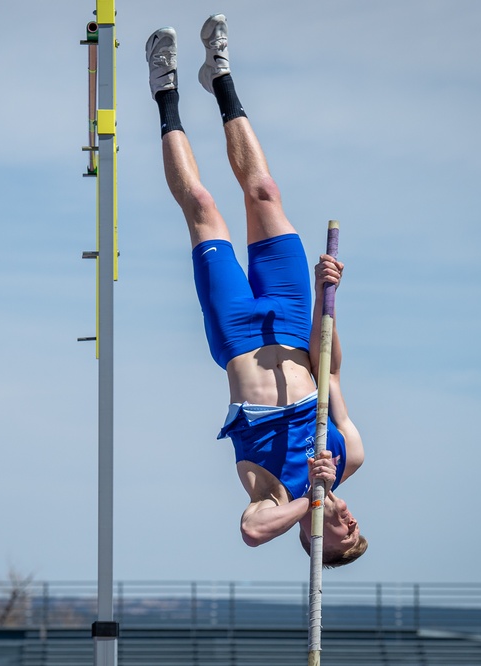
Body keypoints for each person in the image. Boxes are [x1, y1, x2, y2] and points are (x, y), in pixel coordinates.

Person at [146, 14, 367, 567]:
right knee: (264, 192)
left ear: (315, 537)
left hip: (238, 336)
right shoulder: (348, 456)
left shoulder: (275, 498)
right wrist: (324, 293)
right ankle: (219, 76)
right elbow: (330, 370)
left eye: (341, 535)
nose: (348, 521)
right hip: (294, 319)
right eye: (355, 526)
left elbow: (251, 532)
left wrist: (307, 502)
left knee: (202, 209)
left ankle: (164, 91)